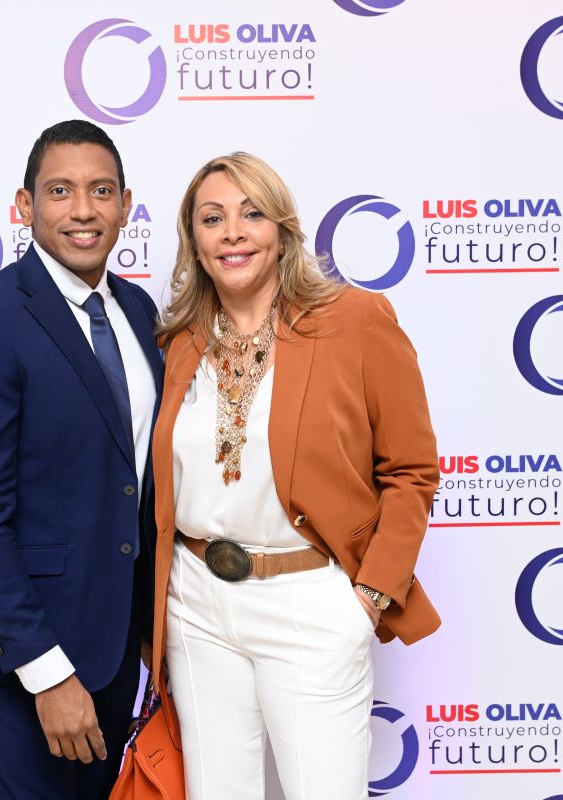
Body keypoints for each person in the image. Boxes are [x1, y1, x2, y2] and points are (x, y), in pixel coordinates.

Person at [149, 152, 440, 799]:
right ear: (193, 240)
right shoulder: (180, 340)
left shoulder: (355, 321)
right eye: (212, 218)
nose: (232, 232)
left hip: (307, 600)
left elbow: (412, 470)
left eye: (252, 213)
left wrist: (368, 600)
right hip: (196, 604)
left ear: (282, 230)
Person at [0, 120, 163, 799]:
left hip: (115, 651)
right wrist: (46, 672)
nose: (83, 210)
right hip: (25, 664)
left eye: (101, 191)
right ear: (25, 205)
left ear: (125, 205)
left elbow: (135, 485)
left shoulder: (139, 311)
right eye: (60, 191)